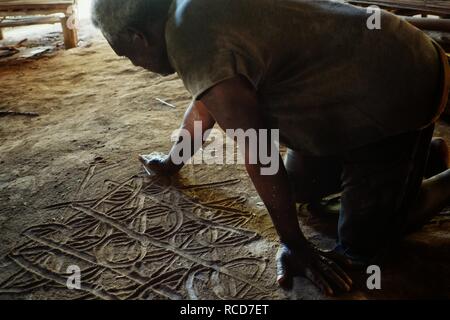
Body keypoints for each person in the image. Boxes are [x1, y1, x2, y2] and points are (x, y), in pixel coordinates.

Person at [92, 0, 450, 295]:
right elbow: (208, 102)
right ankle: (422, 157)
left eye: (126, 55)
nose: (134, 65)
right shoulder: (187, 17)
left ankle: (430, 170)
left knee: (360, 245)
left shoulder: (193, 40)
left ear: (138, 37)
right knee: (294, 190)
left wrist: (295, 244)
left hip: (399, 86)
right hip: (348, 90)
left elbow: (261, 154)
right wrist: (173, 160)